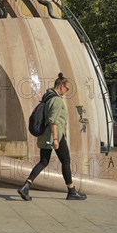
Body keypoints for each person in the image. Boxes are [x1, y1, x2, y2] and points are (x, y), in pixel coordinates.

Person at [17, 73, 87, 201]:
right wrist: (55, 139)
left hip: (45, 136)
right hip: (55, 137)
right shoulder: (57, 100)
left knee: (44, 161)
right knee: (66, 161)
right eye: (67, 88)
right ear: (61, 86)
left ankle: (26, 186)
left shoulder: (47, 97)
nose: (67, 91)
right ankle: (71, 191)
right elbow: (53, 121)